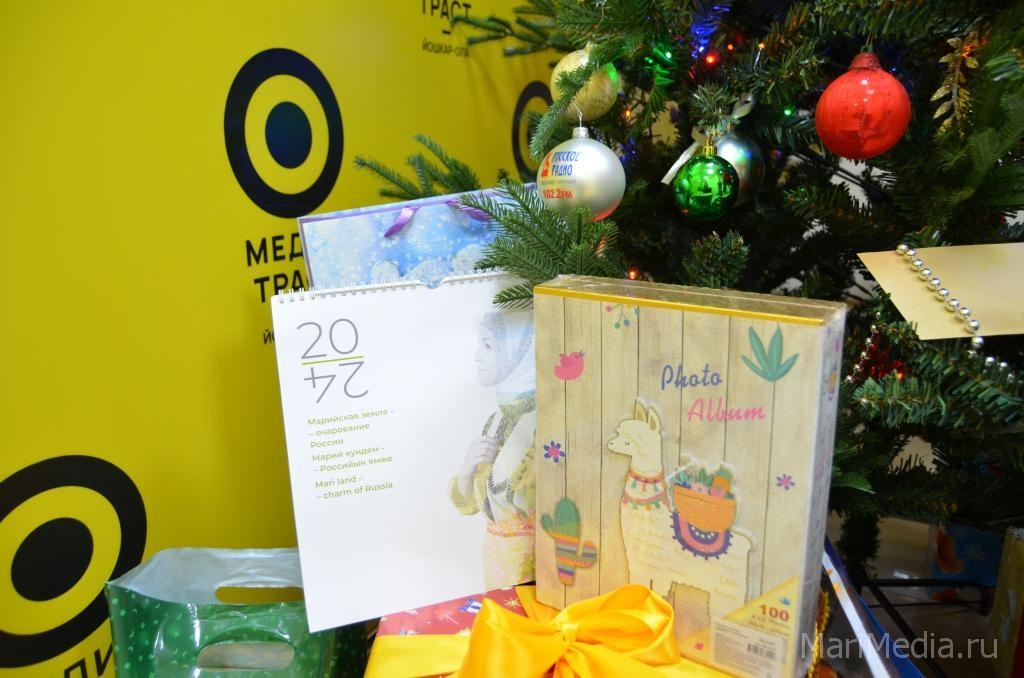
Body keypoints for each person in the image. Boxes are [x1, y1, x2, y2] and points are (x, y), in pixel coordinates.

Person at [450, 310, 536, 589]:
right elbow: (471, 504)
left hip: (535, 571)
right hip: (496, 565)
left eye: (487, 345)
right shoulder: (496, 420)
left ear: (519, 351)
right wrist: (467, 469)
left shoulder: (544, 423)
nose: (477, 356)